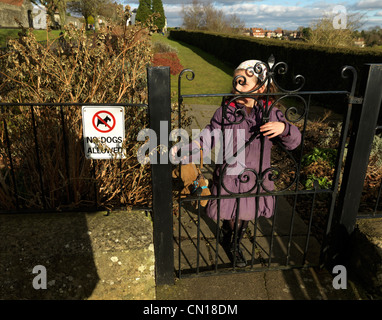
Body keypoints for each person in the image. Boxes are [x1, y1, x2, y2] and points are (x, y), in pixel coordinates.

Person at [172, 59, 301, 267]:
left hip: (256, 176)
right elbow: (209, 135)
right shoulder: (226, 111)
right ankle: (229, 236)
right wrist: (191, 148)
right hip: (230, 175)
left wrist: (284, 128)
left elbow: (294, 142)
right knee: (232, 212)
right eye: (235, 82)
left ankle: (234, 241)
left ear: (261, 87)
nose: (237, 87)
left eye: (243, 83)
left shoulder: (270, 113)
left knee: (246, 213)